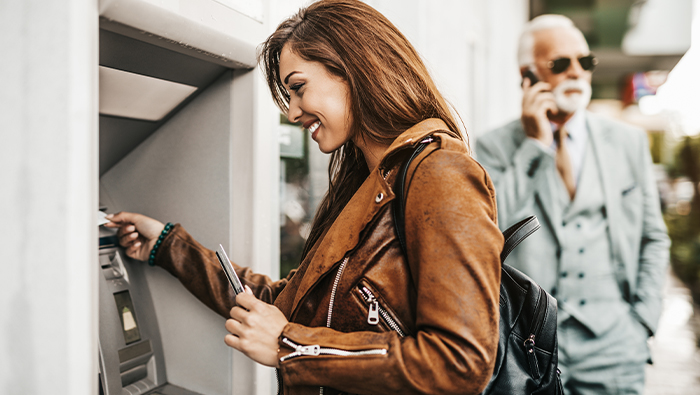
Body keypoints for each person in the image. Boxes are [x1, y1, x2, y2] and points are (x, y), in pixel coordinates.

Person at [106, 1, 503, 394]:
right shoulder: (369, 184)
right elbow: (285, 307)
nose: (293, 112)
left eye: (298, 88)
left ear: (353, 70)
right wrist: (167, 245)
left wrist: (290, 346)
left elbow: (459, 363)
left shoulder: (441, 173)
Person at [475, 14, 670, 395]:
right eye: (561, 64)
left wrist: (643, 322)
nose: (578, 72)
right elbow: (486, 232)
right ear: (527, 75)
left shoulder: (627, 143)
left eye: (586, 61)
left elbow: (653, 237)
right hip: (527, 345)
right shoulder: (495, 146)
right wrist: (534, 146)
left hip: (614, 344)